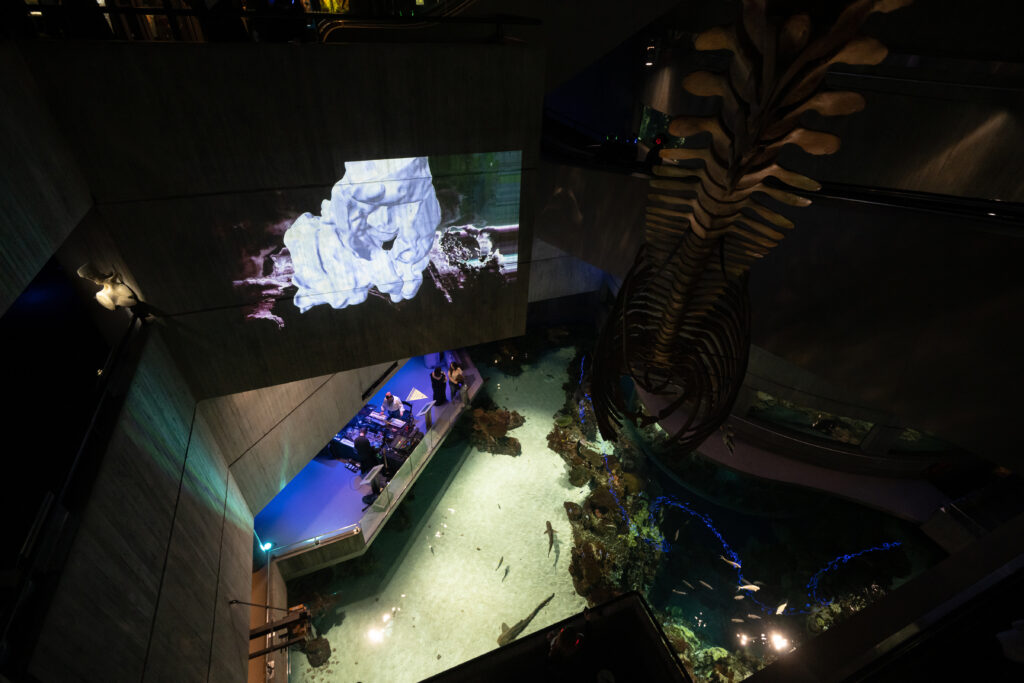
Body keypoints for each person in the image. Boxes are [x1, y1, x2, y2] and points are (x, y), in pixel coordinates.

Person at [353, 428, 381, 504]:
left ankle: (375, 491)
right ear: (365, 433)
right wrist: (376, 449)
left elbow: (356, 450)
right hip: (370, 461)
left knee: (370, 474)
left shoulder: (356, 440)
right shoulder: (365, 440)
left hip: (363, 461)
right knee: (374, 476)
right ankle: (376, 492)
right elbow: (370, 451)